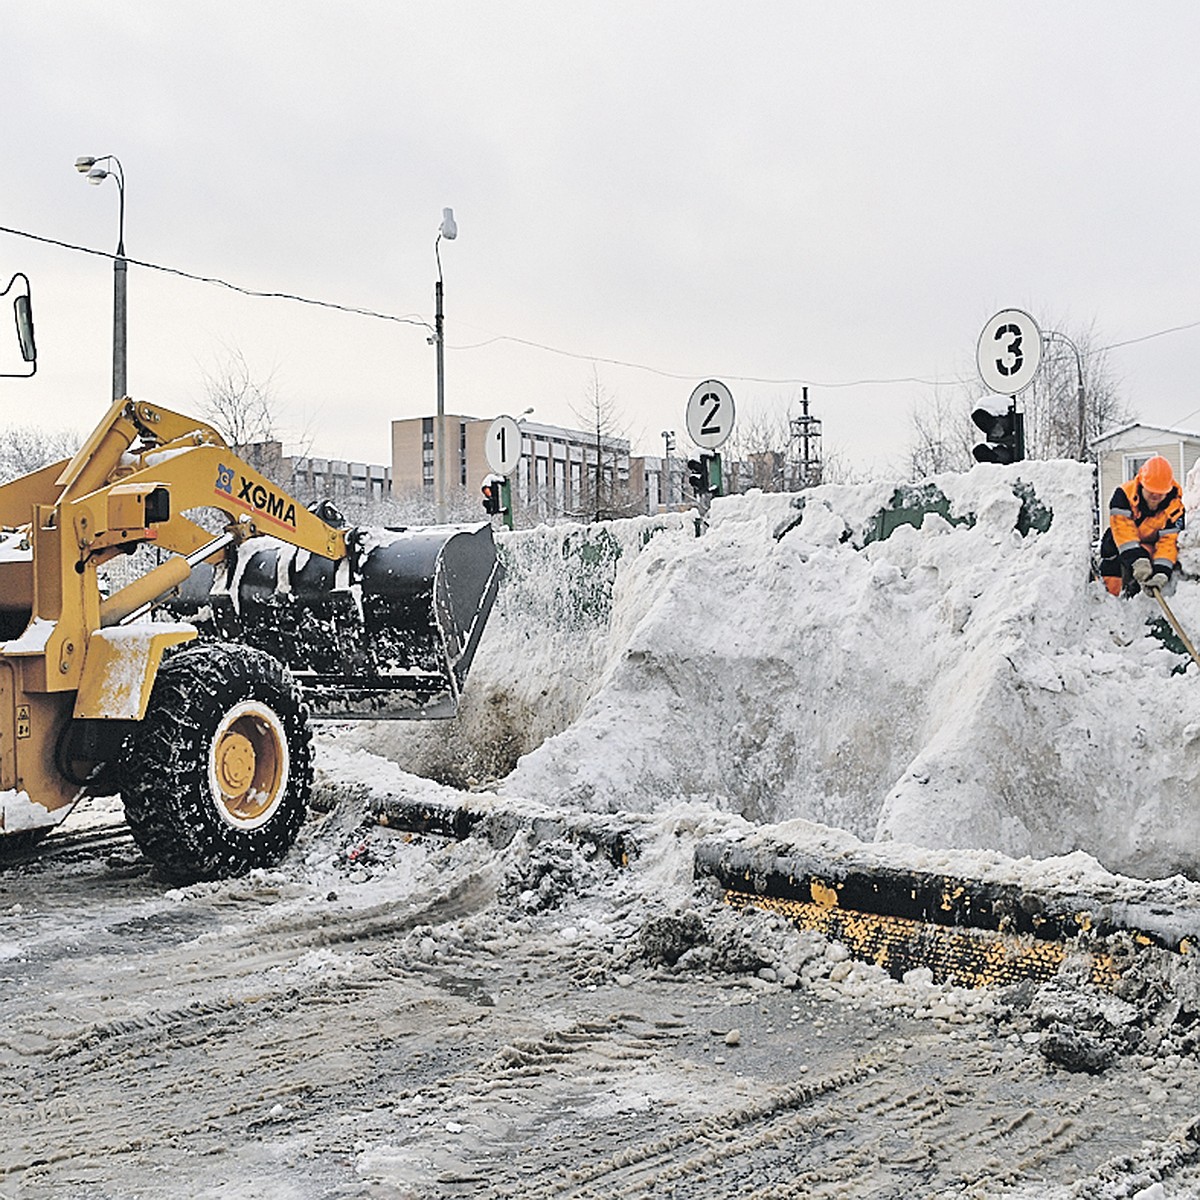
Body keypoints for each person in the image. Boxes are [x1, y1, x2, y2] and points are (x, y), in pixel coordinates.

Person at [1099, 455, 1185, 597]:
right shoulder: (1124, 495)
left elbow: (1168, 543)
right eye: (1151, 490)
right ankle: (1110, 597)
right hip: (1121, 543)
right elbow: (1123, 530)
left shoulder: (1175, 508)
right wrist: (1137, 559)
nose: (1155, 496)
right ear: (1142, 483)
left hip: (1152, 545)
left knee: (1147, 570)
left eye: (1160, 493)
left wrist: (1161, 572)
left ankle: (1137, 597)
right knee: (1111, 549)